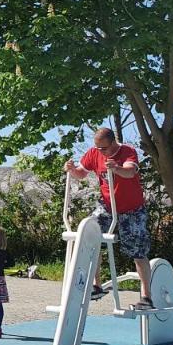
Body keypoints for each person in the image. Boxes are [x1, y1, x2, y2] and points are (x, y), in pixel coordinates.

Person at [65, 127, 154, 309]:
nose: (101, 152)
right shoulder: (94, 153)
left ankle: (147, 297)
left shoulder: (127, 151)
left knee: (138, 252)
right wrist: (72, 169)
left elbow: (130, 172)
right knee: (90, 233)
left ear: (113, 143)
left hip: (132, 210)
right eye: (98, 148)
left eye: (104, 149)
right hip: (106, 206)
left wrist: (117, 168)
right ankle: (96, 285)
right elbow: (81, 173)